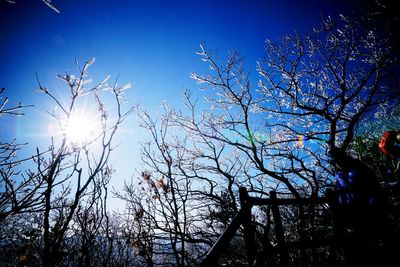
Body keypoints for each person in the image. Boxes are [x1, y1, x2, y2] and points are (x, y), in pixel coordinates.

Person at [328, 148, 394, 266]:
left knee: (372, 241)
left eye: (338, 159)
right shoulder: (339, 174)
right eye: (335, 161)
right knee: (360, 243)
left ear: (344, 157)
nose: (337, 163)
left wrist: (374, 205)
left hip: (367, 210)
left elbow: (371, 187)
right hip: (352, 212)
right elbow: (341, 190)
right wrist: (335, 198)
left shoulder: (358, 168)